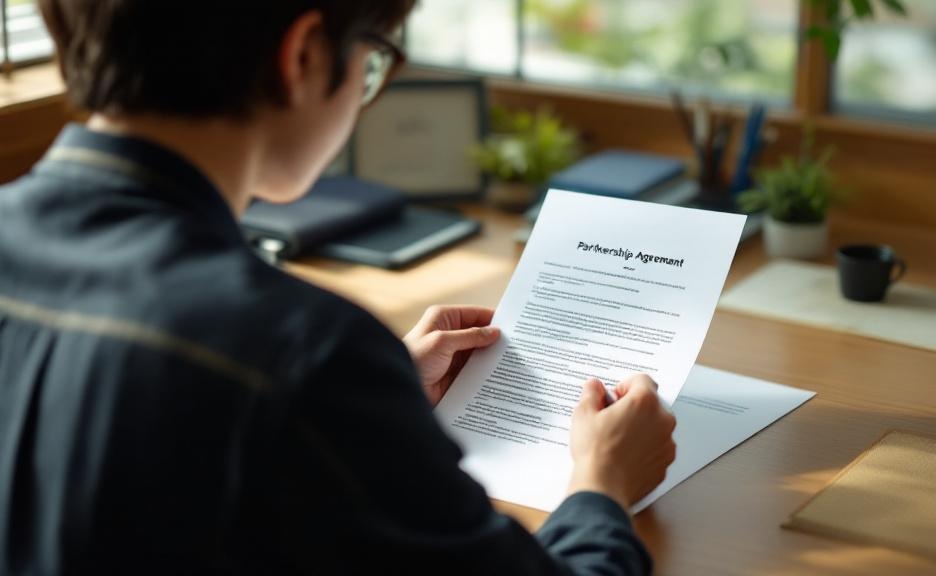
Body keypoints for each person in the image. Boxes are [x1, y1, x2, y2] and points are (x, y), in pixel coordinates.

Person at [0, 1, 677, 574]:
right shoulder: (303, 351)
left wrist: (369, 401)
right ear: (302, 57)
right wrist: (603, 481)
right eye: (373, 63)